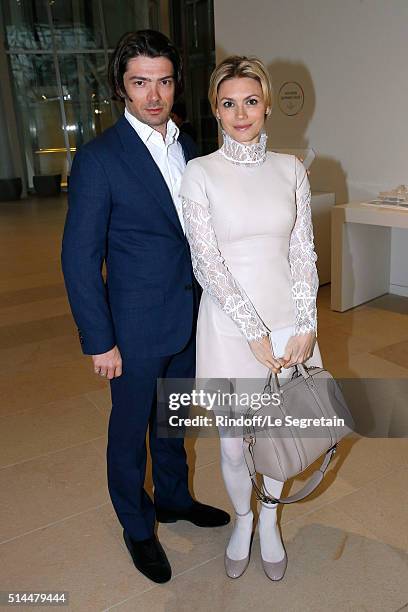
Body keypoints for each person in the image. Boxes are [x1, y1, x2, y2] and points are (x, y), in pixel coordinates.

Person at [61, 30, 230, 585]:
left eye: (163, 81)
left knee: (174, 420)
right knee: (130, 432)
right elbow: (79, 260)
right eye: (140, 83)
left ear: (175, 84)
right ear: (121, 87)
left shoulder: (191, 145)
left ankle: (175, 499)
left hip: (188, 317)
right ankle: (137, 526)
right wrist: (99, 340)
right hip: (132, 329)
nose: (153, 95)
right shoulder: (99, 159)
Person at [179, 56, 323, 581]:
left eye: (251, 101)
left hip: (289, 324)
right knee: (234, 441)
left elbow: (302, 253)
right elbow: (206, 261)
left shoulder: (291, 169)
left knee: (279, 433)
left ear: (265, 105)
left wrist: (306, 321)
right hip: (229, 326)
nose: (241, 113)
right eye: (228, 103)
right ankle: (242, 519)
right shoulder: (200, 173)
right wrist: (254, 331)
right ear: (216, 110)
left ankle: (269, 519)